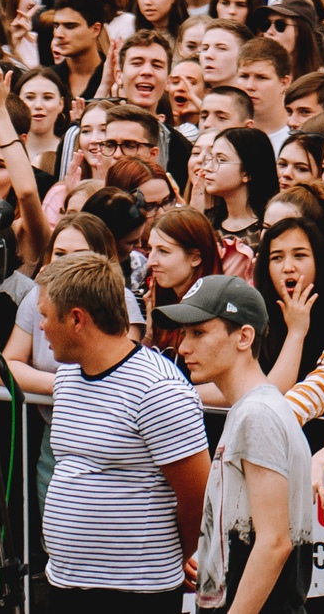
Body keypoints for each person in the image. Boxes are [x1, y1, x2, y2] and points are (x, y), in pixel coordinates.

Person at [39, 252, 212, 614]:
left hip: (135, 593)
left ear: (76, 319)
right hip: (66, 582)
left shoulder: (159, 389)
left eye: (44, 316)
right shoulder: (67, 376)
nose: (40, 327)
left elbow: (197, 495)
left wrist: (170, 556)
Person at [167, 275, 314, 614]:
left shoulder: (257, 414)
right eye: (184, 334)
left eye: (199, 332)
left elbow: (275, 543)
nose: (184, 347)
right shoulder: (252, 408)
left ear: (244, 337)